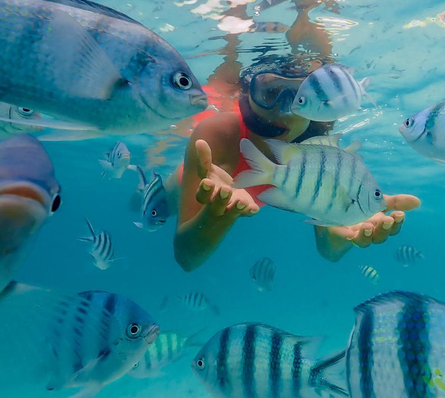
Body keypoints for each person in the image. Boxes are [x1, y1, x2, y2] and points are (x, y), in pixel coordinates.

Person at [169, 60, 421, 272]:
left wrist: (345, 223)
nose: (285, 110)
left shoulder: (321, 154)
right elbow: (187, 258)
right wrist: (215, 212)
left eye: (303, 95)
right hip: (180, 184)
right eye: (270, 93)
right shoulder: (220, 133)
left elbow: (329, 251)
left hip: (271, 184)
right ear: (247, 94)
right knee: (150, 202)